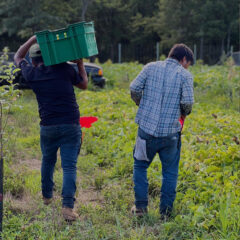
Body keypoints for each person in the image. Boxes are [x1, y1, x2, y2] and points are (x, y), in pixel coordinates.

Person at [14, 35, 88, 221]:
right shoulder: (64, 69)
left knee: (48, 162)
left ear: (33, 60)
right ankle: (68, 208)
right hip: (70, 124)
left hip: (47, 126)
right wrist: (80, 63)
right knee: (69, 166)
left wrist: (32, 39)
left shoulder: (31, 73)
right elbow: (84, 84)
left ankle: (47, 198)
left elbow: (17, 57)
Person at [130, 43, 194, 219]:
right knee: (170, 172)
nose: (187, 66)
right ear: (184, 59)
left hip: (146, 130)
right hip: (170, 134)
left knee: (140, 166)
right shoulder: (185, 75)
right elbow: (188, 103)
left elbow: (134, 88)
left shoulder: (150, 67)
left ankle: (141, 209)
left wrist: (140, 103)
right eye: (188, 63)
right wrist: (182, 113)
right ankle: (165, 213)